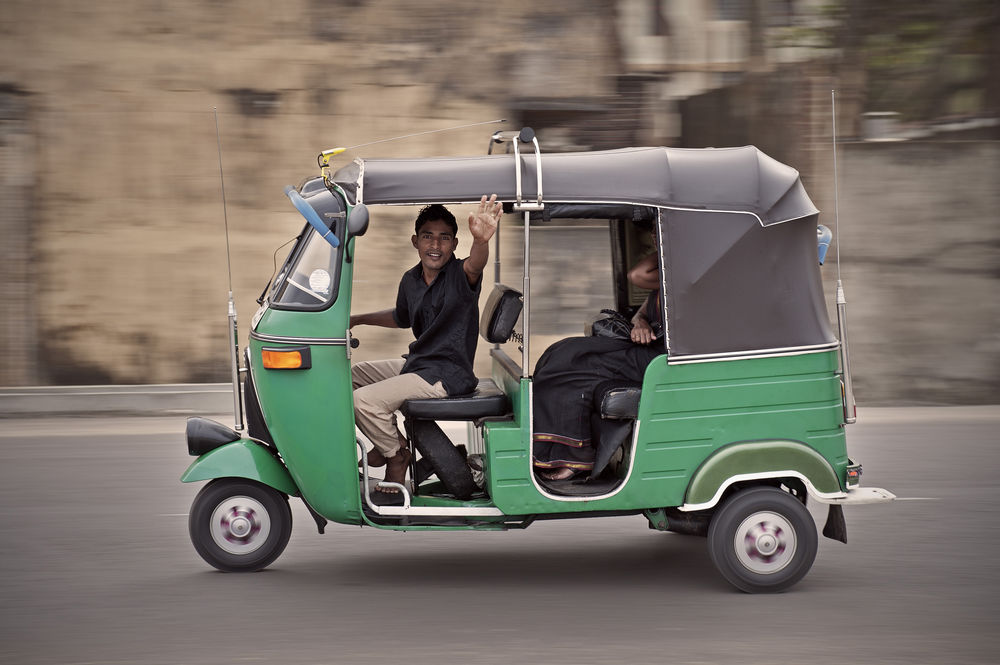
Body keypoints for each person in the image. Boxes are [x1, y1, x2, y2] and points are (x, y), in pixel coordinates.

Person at [350, 195, 502, 493]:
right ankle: (385, 440)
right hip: (418, 364)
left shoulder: (461, 275)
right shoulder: (411, 279)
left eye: (444, 238)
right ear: (415, 241)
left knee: (364, 401)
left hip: (447, 374)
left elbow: (476, 264)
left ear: (455, 244)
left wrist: (482, 240)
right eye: (428, 237)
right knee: (350, 376)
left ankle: (397, 455)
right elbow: (400, 317)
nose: (435, 245)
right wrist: (355, 318)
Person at [531, 252, 663, 481]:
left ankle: (577, 458)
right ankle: (556, 453)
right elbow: (640, 313)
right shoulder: (662, 280)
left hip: (656, 359)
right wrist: (640, 323)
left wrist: (664, 240)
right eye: (651, 232)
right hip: (642, 349)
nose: (654, 236)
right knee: (562, 352)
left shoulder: (676, 275)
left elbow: (636, 274)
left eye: (657, 231)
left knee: (571, 364)